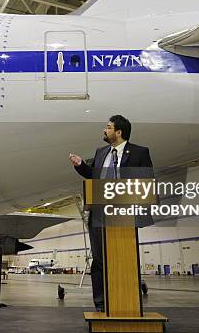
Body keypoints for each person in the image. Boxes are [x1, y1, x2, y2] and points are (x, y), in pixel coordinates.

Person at [68, 114, 154, 312]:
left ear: (119, 132)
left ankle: (127, 303)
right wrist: (81, 165)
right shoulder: (101, 153)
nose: (104, 130)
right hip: (99, 213)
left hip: (124, 213)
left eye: (108, 127)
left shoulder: (140, 153)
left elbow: (146, 181)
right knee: (98, 260)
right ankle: (100, 304)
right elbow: (93, 176)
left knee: (124, 259)